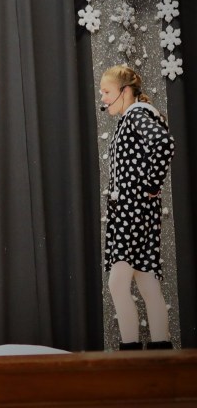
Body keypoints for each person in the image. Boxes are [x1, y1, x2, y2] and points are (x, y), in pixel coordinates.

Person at [98, 65, 175, 350]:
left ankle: (130, 355)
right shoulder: (132, 118)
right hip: (137, 210)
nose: (103, 98)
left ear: (125, 90)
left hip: (131, 211)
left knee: (118, 284)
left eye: (107, 92)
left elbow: (164, 143)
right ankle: (160, 352)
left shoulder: (136, 115)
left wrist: (151, 185)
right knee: (146, 282)